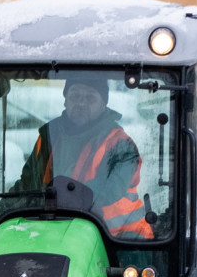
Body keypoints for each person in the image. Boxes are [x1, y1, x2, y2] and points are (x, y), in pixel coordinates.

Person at [18, 73, 153, 239]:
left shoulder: (120, 145)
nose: (81, 103)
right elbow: (26, 186)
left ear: (103, 104)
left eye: (90, 98)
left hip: (120, 239)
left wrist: (50, 206)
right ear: (65, 99)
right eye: (75, 95)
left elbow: (104, 194)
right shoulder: (49, 137)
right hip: (59, 230)